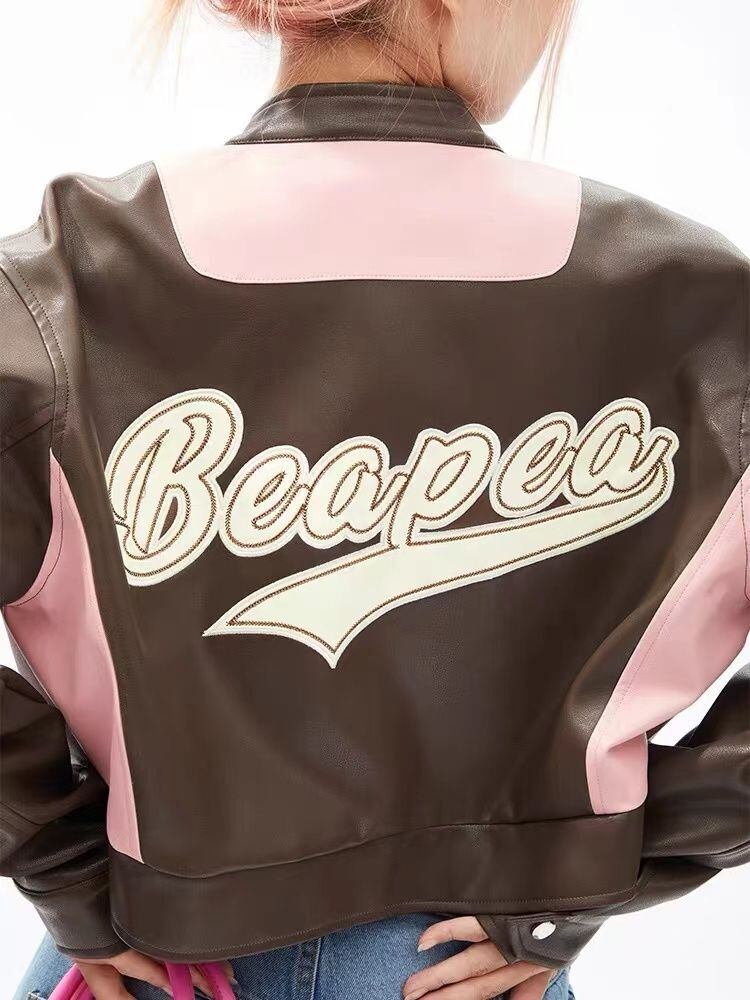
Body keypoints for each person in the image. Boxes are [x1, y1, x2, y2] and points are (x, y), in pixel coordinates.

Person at [2, 0, 748, 997]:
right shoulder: (697, 302)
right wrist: (597, 869)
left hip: (149, 962)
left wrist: (61, 862)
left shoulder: (61, 277)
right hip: (450, 967)